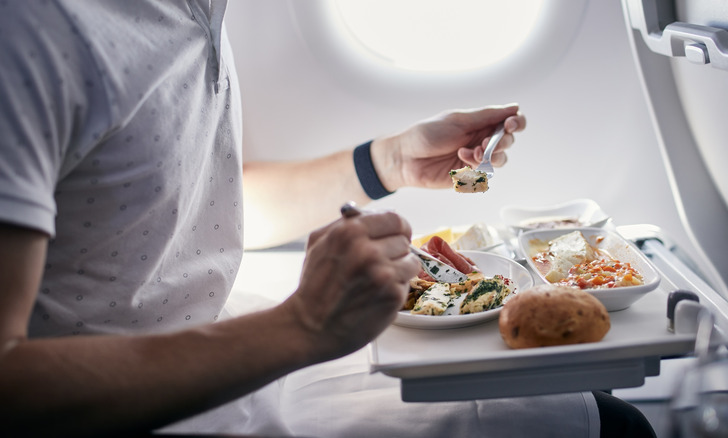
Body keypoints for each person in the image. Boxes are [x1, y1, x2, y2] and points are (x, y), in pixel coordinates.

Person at [0, 1, 655, 437]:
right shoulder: (34, 34)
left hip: (229, 349)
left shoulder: (198, 12)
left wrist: (388, 163)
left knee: (597, 415)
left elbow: (191, 211)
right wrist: (302, 325)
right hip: (148, 404)